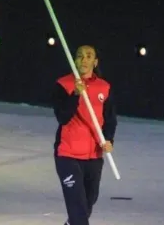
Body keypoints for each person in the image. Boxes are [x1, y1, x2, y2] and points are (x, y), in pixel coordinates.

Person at [52, 44, 118, 225]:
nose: (84, 59)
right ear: (74, 60)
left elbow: (110, 119)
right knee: (77, 206)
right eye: (80, 55)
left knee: (89, 202)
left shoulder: (104, 87)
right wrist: (75, 95)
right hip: (68, 155)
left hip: (94, 156)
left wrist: (109, 139)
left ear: (95, 62)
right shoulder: (63, 84)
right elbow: (63, 117)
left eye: (89, 56)